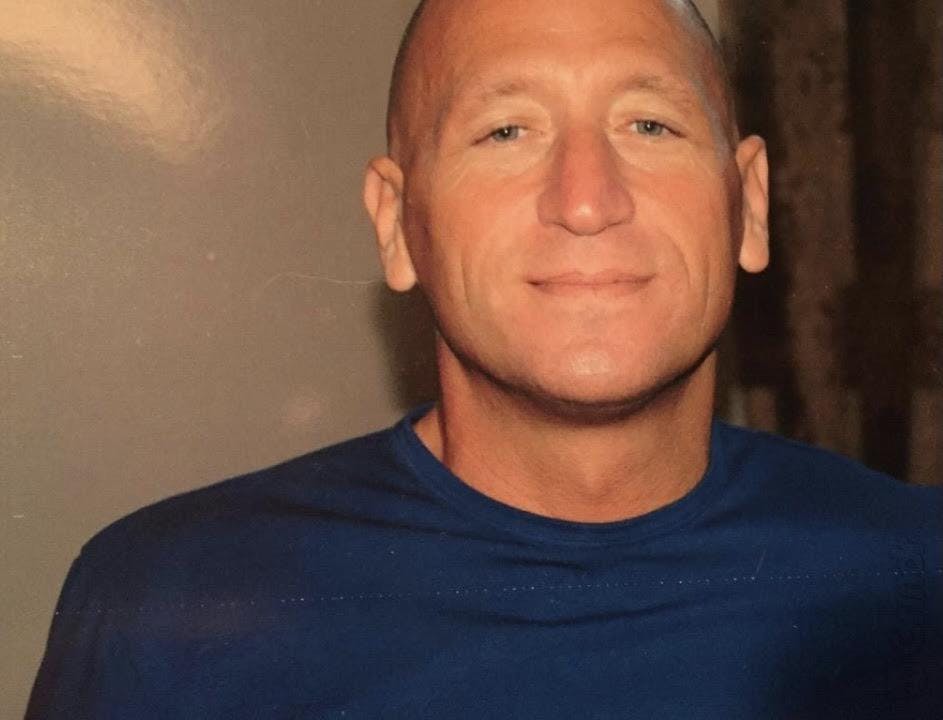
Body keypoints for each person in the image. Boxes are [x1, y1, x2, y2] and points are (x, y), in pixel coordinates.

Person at [27, 0, 942, 717]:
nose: (586, 200)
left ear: (748, 203)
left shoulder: (915, 576)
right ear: (398, 224)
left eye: (648, 126)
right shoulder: (169, 604)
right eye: (506, 131)